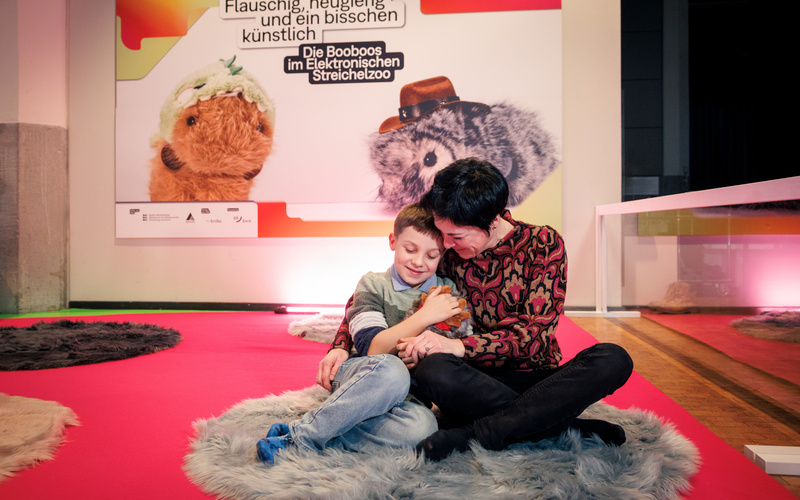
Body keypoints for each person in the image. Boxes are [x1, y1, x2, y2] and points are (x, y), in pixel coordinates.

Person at [330, 158, 634, 461]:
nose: (446, 244)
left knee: (613, 359)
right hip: (469, 383)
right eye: (443, 234)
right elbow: (373, 291)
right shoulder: (450, 247)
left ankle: (477, 433)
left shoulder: (543, 243)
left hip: (536, 377)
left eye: (456, 237)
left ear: (493, 221)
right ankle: (556, 424)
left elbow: (533, 335)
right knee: (433, 369)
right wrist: (341, 344)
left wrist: (459, 346)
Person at [257, 203, 464, 464]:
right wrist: (425, 316)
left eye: (431, 256)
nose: (418, 262)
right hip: (364, 374)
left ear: (442, 254)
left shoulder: (447, 291)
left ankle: (324, 430)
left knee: (423, 428)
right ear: (393, 242)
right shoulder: (373, 283)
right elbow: (374, 348)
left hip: (410, 397)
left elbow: (447, 346)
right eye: (410, 250)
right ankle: (300, 438)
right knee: (393, 370)